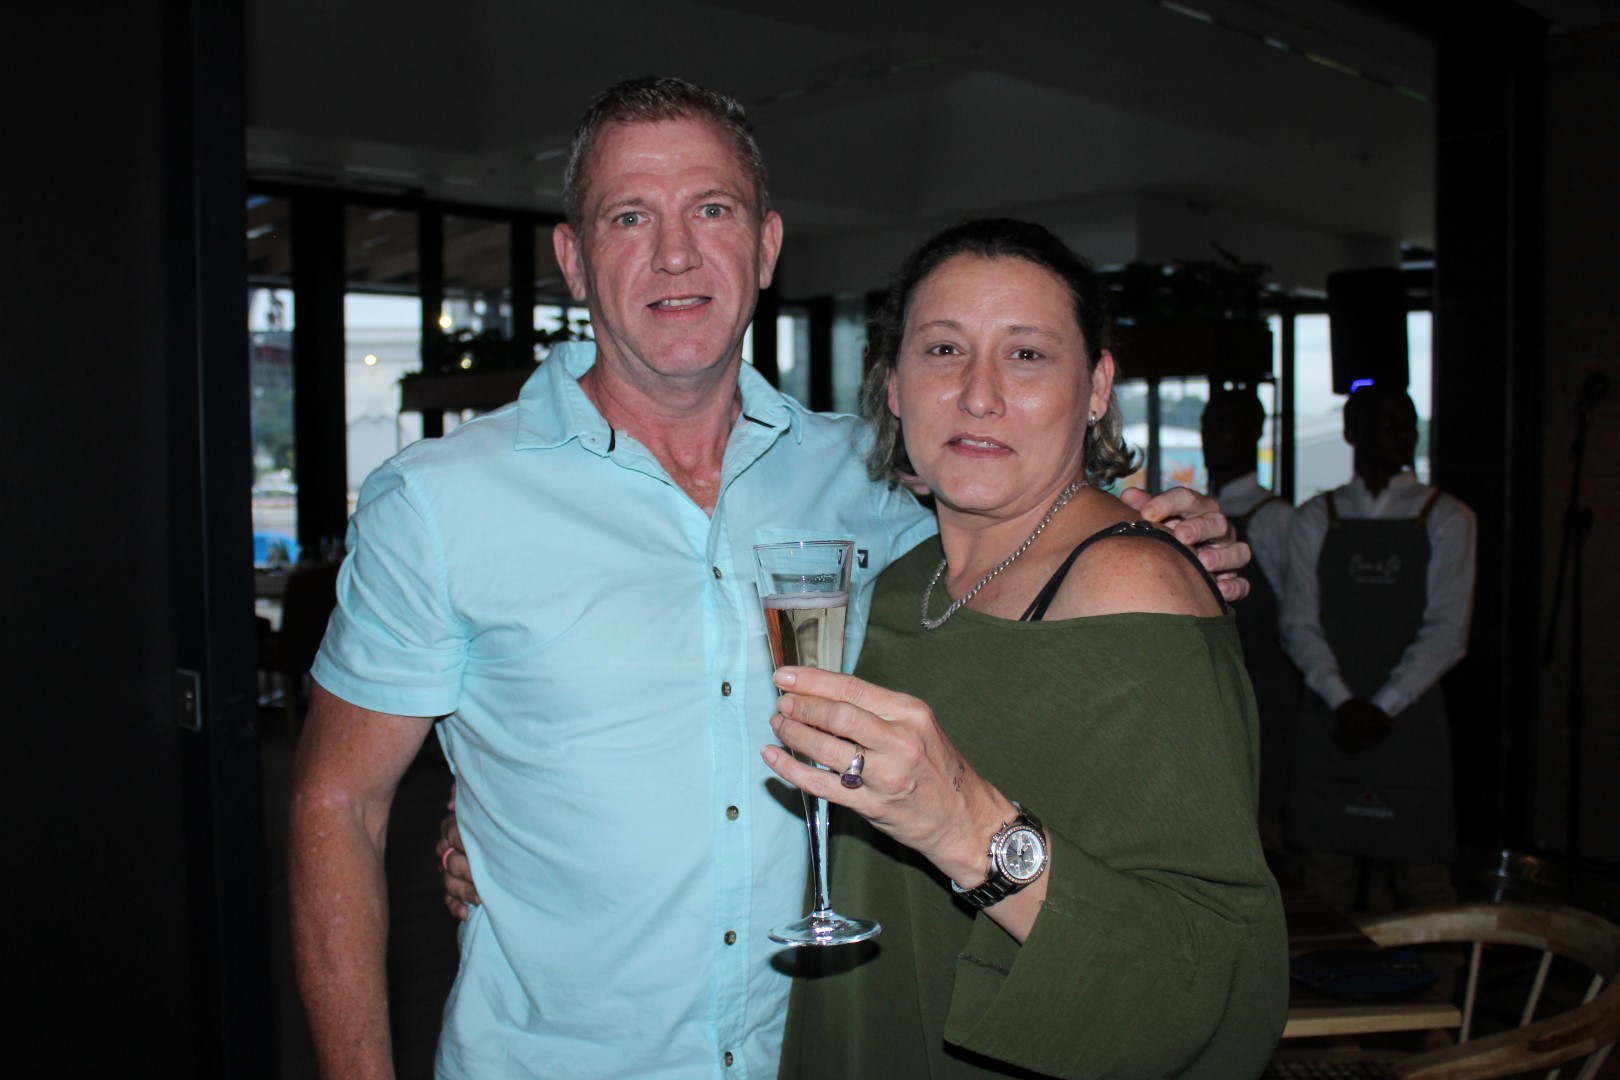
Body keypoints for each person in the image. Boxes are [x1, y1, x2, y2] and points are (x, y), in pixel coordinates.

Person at [291, 77, 1246, 1080]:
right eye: (629, 216)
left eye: (712, 209)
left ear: (767, 245)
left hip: (823, 1054)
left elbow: (1027, 514)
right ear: (572, 259)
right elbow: (337, 806)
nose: (675, 253)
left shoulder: (871, 481)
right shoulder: (441, 503)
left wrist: (1153, 529)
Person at [1279, 383, 1476, 913]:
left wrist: (1382, 706)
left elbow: (1447, 631)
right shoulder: (1317, 517)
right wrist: (1342, 700)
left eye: (1408, 423)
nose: (1403, 434)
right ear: (1352, 432)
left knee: (1424, 881)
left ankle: (1438, 971)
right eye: (1388, 422)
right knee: (1324, 880)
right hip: (1331, 723)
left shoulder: (1447, 517)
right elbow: (1298, 622)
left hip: (1408, 724)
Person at [1201, 386, 1300, 849]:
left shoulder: (1279, 519)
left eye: (1224, 425)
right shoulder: (1188, 511)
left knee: (1261, 818)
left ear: (1254, 433)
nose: (1211, 436)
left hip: (1263, 688)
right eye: (1207, 425)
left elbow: (1299, 614)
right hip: (1205, 685)